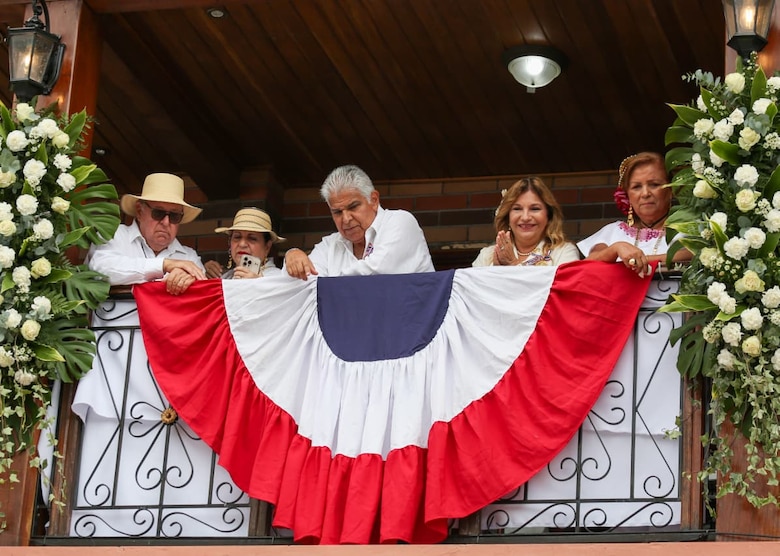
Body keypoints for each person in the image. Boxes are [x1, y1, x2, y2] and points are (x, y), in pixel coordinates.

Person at [284, 164, 434, 279]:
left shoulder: (400, 222)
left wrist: (326, 284)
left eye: (353, 207)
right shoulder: (330, 245)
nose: (346, 219)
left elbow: (375, 274)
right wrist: (293, 256)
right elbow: (305, 286)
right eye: (337, 212)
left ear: (374, 200)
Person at [86, 172, 206, 295]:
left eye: (174, 216)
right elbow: (101, 269)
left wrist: (186, 280)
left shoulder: (189, 257)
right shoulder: (114, 235)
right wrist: (164, 265)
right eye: (158, 213)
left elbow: (203, 294)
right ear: (139, 211)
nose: (166, 222)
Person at [577, 152, 689, 277]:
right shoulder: (613, 232)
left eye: (654, 184)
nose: (645, 193)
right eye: (637, 187)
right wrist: (616, 248)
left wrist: (640, 260)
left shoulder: (688, 230)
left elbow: (696, 254)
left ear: (671, 190)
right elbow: (586, 266)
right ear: (628, 195)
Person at [472, 177, 579, 267]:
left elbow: (565, 291)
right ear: (507, 217)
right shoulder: (487, 255)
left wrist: (513, 265)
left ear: (549, 216)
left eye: (535, 209)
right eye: (517, 209)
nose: (525, 217)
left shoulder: (564, 252)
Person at [204, 207, 286, 279]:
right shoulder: (226, 277)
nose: (242, 244)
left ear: (267, 247)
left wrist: (259, 285)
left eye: (252, 238)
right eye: (237, 237)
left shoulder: (279, 279)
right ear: (230, 242)